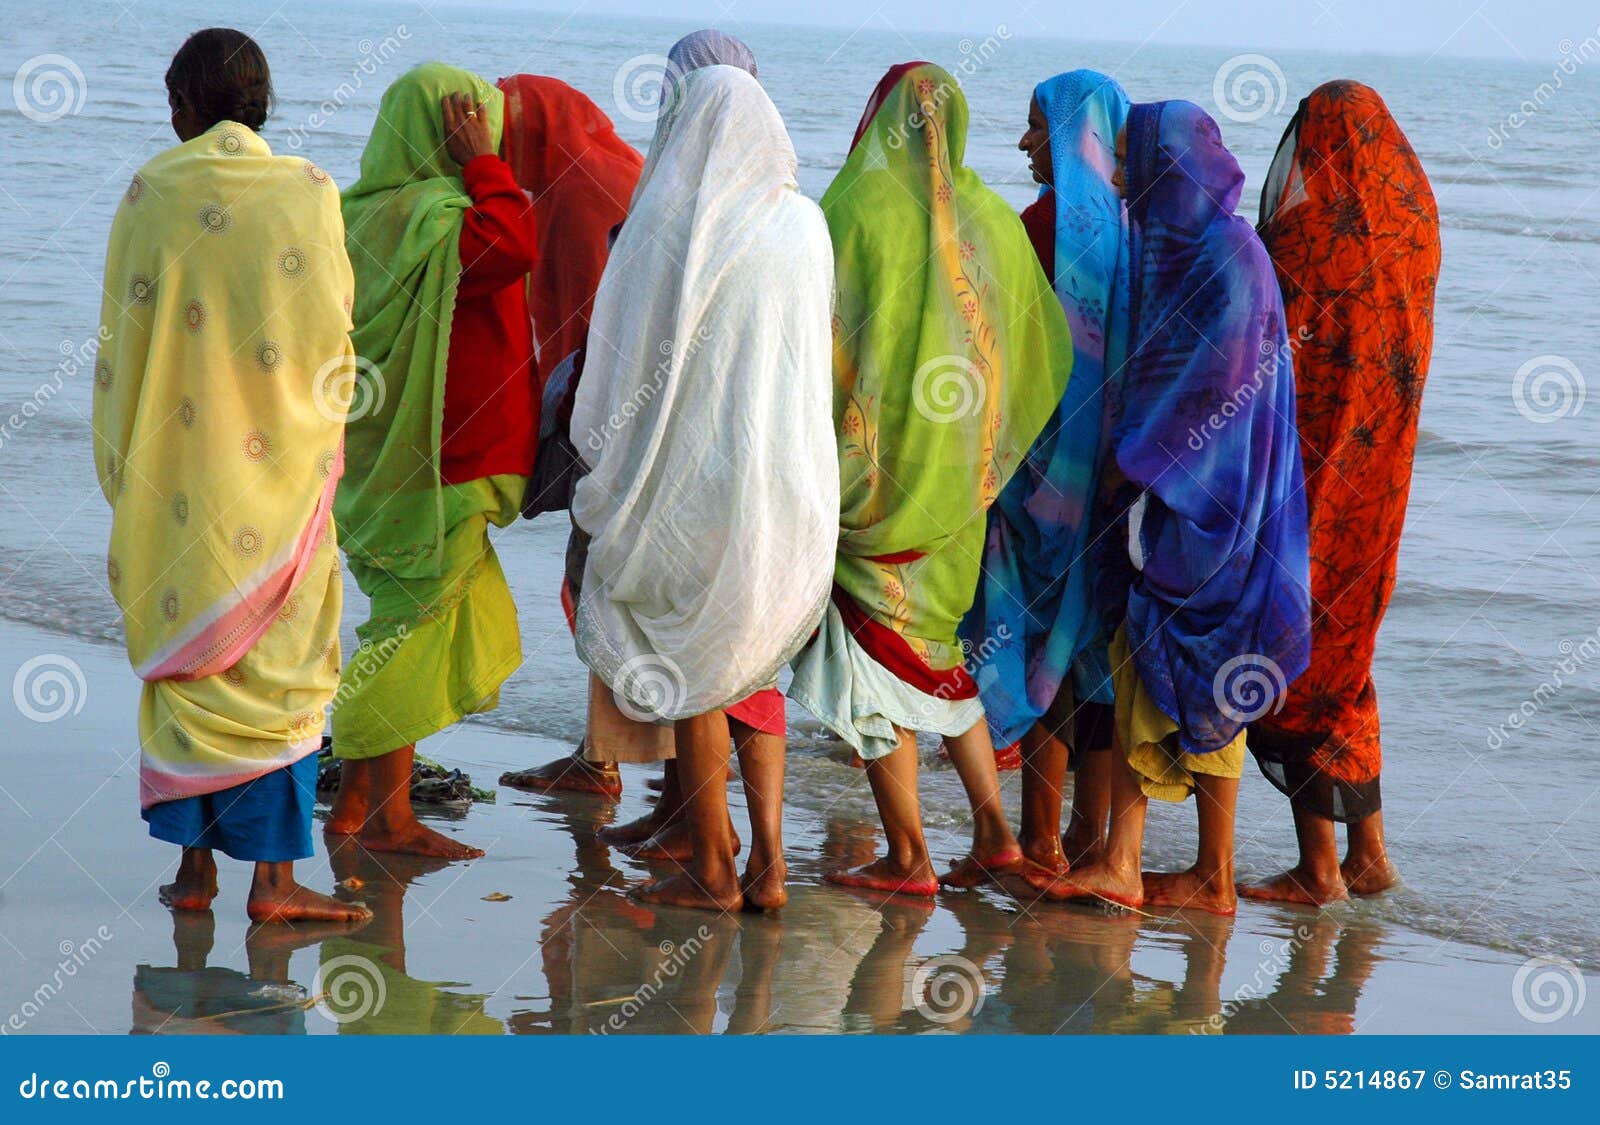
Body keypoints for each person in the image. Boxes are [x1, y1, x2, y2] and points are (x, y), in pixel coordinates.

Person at [94, 27, 369, 924]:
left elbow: (120, 352)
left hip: (177, 481)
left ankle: (194, 874)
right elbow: (334, 341)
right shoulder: (310, 193)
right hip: (278, 475)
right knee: (279, 659)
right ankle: (275, 886)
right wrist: (315, 445)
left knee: (195, 651)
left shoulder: (149, 194)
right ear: (263, 103)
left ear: (182, 106)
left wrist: (128, 470)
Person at [788, 62, 1074, 897]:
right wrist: (988, 449)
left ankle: (909, 855)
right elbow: (1038, 345)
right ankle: (994, 832)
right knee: (941, 657)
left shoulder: (851, 211)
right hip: (960, 490)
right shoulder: (991, 218)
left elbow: (819, 347)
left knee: (868, 665)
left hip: (870, 489)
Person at [569, 63, 837, 912]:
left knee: (695, 664)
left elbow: (625, 360)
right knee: (751, 679)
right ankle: (769, 865)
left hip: (697, 484)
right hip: (789, 487)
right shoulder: (806, 223)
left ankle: (715, 870)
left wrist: (611, 462)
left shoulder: (671, 224)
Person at [1040, 100, 1311, 916]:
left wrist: (1135, 469)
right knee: (1201, 674)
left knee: (1161, 666)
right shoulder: (1193, 249)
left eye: (1131, 161)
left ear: (1170, 168)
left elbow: (1214, 397)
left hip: (1208, 506)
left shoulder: (1226, 259)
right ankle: (1208, 874)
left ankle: (1133, 864)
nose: (1119, 176)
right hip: (1222, 506)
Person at [326, 63, 537, 859]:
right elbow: (514, 243)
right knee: (411, 630)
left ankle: (357, 800)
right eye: (470, 122)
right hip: (442, 461)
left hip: (376, 457)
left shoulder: (353, 217)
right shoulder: (448, 220)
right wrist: (486, 162)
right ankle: (387, 814)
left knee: (404, 620)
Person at [1242, 81, 1440, 905]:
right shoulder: (1412, 229)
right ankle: (1370, 855)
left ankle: (1317, 867)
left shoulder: (1312, 240)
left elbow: (1259, 335)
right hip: (1382, 475)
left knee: (1298, 647)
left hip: (1311, 475)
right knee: (1350, 651)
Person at [964, 69, 1130, 886]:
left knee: (1037, 648)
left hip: (1040, 481)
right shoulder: (1138, 228)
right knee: (1094, 654)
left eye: (1037, 128)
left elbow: (998, 355)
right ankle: (1092, 842)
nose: (1025, 142)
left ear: (1071, 136)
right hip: (1114, 481)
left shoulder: (1039, 226)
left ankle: (1039, 840)